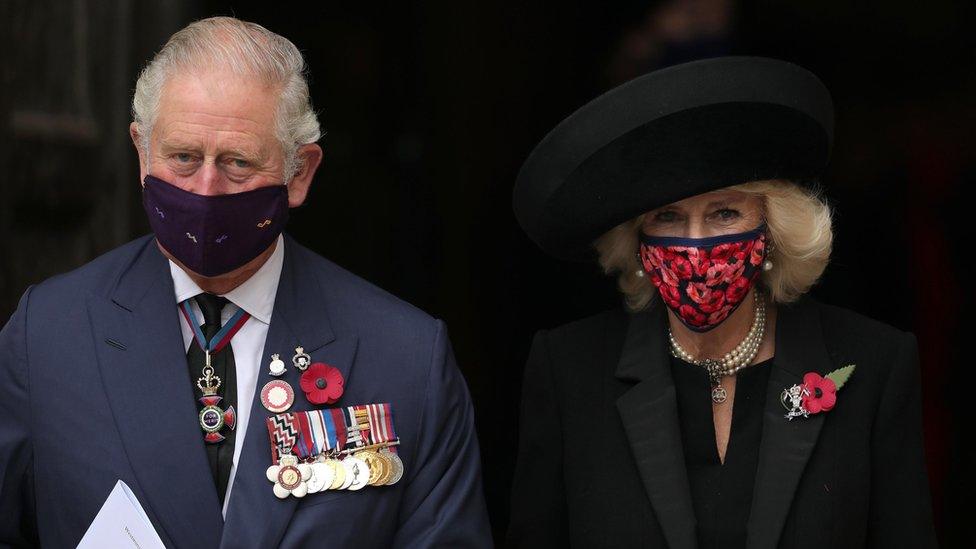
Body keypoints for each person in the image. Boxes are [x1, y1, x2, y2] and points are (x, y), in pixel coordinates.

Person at [0, 17, 491, 548]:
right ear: (141, 152)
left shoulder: (404, 357)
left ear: (299, 172)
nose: (206, 189)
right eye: (184, 157)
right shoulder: (48, 333)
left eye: (237, 163)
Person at [508, 57, 936, 548]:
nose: (695, 245)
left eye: (725, 212)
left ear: (773, 227)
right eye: (668, 216)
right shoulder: (569, 371)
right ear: (636, 242)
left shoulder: (874, 366)